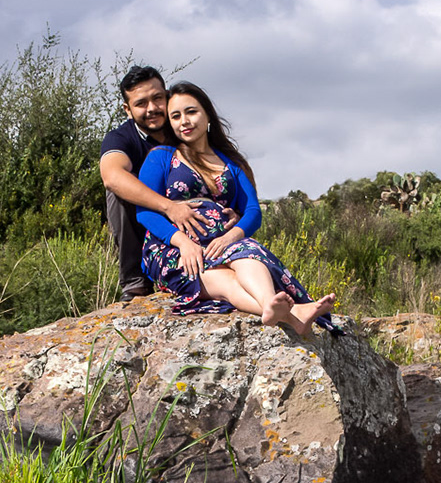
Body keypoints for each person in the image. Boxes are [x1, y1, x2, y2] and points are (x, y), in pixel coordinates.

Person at [133, 81, 334, 337]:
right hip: (174, 249)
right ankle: (293, 313)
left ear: (207, 116)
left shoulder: (231, 163)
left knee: (246, 251)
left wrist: (231, 235)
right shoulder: (161, 156)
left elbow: (252, 211)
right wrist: (183, 243)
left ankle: (275, 308)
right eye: (176, 116)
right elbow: (145, 211)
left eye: (191, 111)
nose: (184, 120)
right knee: (226, 280)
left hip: (222, 245)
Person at [99, 66, 200, 299]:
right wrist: (168, 207)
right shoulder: (121, 138)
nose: (152, 108)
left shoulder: (186, 128)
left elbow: (225, 165)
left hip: (195, 219)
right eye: (141, 103)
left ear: (167, 96)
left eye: (157, 98)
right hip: (151, 219)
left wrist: (234, 209)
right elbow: (111, 176)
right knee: (119, 191)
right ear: (127, 109)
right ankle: (136, 282)